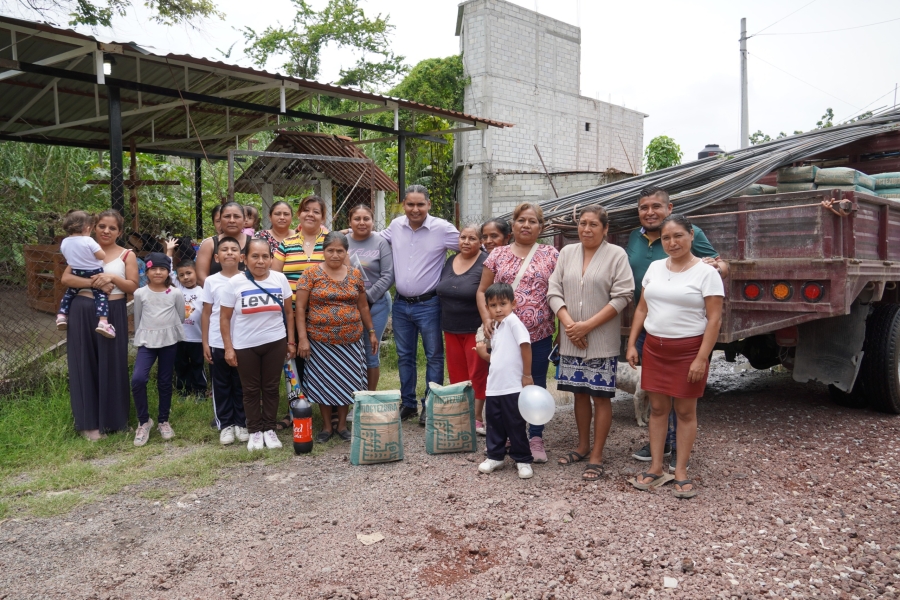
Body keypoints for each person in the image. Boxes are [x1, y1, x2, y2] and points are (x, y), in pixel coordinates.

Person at [626, 186, 729, 469]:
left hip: (687, 342)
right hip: (654, 338)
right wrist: (631, 343)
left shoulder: (704, 270)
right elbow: (642, 307)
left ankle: (680, 468)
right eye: (667, 238)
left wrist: (701, 357)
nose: (672, 242)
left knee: (684, 407)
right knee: (657, 406)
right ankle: (659, 460)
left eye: (656, 206)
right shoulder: (644, 251)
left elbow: (715, 317)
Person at [547, 205, 634, 480]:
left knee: (600, 396)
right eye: (583, 223)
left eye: (593, 224)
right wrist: (569, 324)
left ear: (605, 228)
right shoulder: (567, 253)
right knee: (579, 393)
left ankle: (597, 453)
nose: (586, 229)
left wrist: (586, 326)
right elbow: (554, 290)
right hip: (571, 339)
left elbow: (623, 295)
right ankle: (582, 446)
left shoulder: (616, 255)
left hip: (600, 339)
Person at [478, 202, 558, 463]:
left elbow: (558, 292)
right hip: (504, 336)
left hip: (539, 334)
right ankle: (512, 435)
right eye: (521, 220)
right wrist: (488, 317)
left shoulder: (550, 254)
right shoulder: (497, 255)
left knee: (534, 382)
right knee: (507, 385)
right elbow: (482, 291)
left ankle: (535, 436)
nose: (526, 225)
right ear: (512, 225)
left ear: (541, 227)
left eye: (532, 221)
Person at [380, 185, 459, 424]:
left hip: (430, 304)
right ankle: (408, 404)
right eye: (410, 204)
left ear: (429, 204)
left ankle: (431, 405)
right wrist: (342, 233)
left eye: (420, 204)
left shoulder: (442, 229)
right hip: (401, 305)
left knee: (434, 355)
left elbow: (471, 245)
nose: (415, 209)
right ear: (404, 204)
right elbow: (374, 240)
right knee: (405, 356)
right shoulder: (396, 226)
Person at [62, 209, 139, 440]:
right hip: (83, 309)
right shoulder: (82, 247)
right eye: (102, 226)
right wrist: (94, 283)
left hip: (113, 311)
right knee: (84, 362)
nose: (106, 231)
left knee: (113, 363)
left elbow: (133, 287)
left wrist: (112, 278)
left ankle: (116, 421)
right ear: (93, 227)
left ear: (119, 232)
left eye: (112, 228)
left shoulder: (127, 255)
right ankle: (89, 425)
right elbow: (66, 279)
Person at [295, 232, 378, 442]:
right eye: (330, 250)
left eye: (339, 250)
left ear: (346, 252)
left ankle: (341, 425)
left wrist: (371, 332)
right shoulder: (311, 274)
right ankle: (326, 427)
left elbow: (362, 306)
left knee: (347, 382)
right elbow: (300, 308)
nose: (335, 254)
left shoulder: (355, 274)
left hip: (350, 341)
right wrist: (302, 339)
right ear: (323, 251)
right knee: (323, 382)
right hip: (320, 341)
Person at [221, 238, 295, 451]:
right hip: (245, 345)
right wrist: (228, 348)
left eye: (265, 256)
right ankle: (254, 431)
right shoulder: (235, 283)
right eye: (255, 256)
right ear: (244, 259)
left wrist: (291, 341)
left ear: (272, 259)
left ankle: (269, 429)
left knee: (271, 387)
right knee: (251, 389)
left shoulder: (280, 279)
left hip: (275, 341)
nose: (260, 261)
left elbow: (289, 313)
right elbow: (224, 318)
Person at [272, 195, 330, 431]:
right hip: (292, 314)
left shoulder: (330, 241)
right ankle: (295, 408)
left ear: (323, 217)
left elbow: (345, 270)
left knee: (326, 361)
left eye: (316, 211)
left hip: (324, 315)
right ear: (299, 214)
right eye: (306, 210)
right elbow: (275, 278)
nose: (310, 215)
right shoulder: (287, 243)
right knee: (293, 361)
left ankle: (332, 408)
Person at [475, 283, 534, 479]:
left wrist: (527, 375)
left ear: (513, 303)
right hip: (494, 387)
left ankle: (523, 459)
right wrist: (485, 355)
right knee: (495, 423)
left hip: (512, 386)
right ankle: (495, 456)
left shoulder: (513, 322)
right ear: (487, 308)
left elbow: (525, 347)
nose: (498, 309)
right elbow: (500, 358)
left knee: (515, 423)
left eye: (503, 304)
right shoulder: (497, 326)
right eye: (493, 305)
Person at [437, 223, 489, 435]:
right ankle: (460, 415)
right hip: (450, 327)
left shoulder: (485, 263)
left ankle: (476, 418)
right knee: (457, 373)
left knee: (476, 373)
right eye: (463, 238)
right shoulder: (450, 260)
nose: (466, 242)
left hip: (474, 328)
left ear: (480, 242)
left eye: (472, 238)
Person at [131, 252, 185, 447]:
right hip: (147, 341)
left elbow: (180, 315)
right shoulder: (140, 293)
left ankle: (163, 420)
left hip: (169, 341)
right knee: (138, 379)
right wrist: (141, 336)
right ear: (147, 272)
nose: (158, 272)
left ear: (168, 272)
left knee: (164, 380)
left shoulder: (175, 293)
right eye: (154, 269)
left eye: (162, 269)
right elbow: (138, 319)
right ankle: (144, 421)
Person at [201, 237, 248, 446]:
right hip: (218, 341)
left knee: (241, 383)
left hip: (243, 340)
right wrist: (205, 342)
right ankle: (226, 424)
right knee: (221, 383)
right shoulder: (211, 281)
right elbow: (206, 313)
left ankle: (241, 422)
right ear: (217, 257)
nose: (229, 253)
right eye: (224, 250)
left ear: (241, 256)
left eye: (234, 249)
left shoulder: (248, 278)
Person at [346, 204, 394, 390]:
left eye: (366, 218)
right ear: (350, 222)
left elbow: (388, 275)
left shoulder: (380, 242)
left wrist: (368, 298)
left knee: (370, 352)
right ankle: (351, 397)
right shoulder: (343, 241)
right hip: (348, 305)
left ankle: (368, 399)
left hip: (377, 304)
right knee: (350, 353)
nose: (362, 222)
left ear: (373, 221)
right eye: (357, 219)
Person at [56, 210, 115, 338]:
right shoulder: (88, 241)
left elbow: (68, 256)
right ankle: (103, 322)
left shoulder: (64, 242)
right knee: (101, 296)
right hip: (94, 272)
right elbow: (101, 255)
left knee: (69, 293)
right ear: (87, 228)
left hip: (77, 271)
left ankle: (61, 315)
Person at [172, 259, 207, 399]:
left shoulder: (203, 291)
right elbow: (169, 272)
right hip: (179, 338)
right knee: (181, 365)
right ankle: (183, 390)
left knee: (198, 364)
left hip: (197, 337)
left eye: (189, 273)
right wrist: (169, 253)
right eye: (181, 275)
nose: (185, 277)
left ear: (196, 273)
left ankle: (200, 390)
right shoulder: (178, 289)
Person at [196, 202, 250, 287]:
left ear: (244, 220)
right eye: (227, 216)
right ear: (220, 220)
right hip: (216, 297)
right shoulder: (209, 244)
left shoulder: (254, 243)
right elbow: (201, 278)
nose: (232, 220)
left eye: (236, 216)